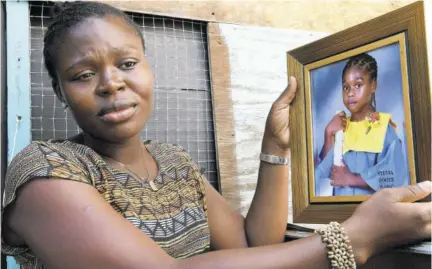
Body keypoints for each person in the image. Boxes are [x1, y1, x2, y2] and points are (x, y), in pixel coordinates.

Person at [1, 2, 430, 269]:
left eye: (128, 64)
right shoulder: (45, 174)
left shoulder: (173, 164)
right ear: (59, 91)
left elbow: (252, 243)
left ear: (149, 68)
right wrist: (354, 239)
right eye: (83, 74)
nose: (111, 84)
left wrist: (274, 147)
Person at [315, 53, 408, 196]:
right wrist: (328, 134)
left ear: (373, 85)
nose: (350, 93)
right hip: (341, 212)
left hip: (373, 213)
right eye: (346, 87)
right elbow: (329, 172)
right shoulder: (341, 127)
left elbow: (395, 176)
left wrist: (352, 179)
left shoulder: (382, 127)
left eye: (358, 85)